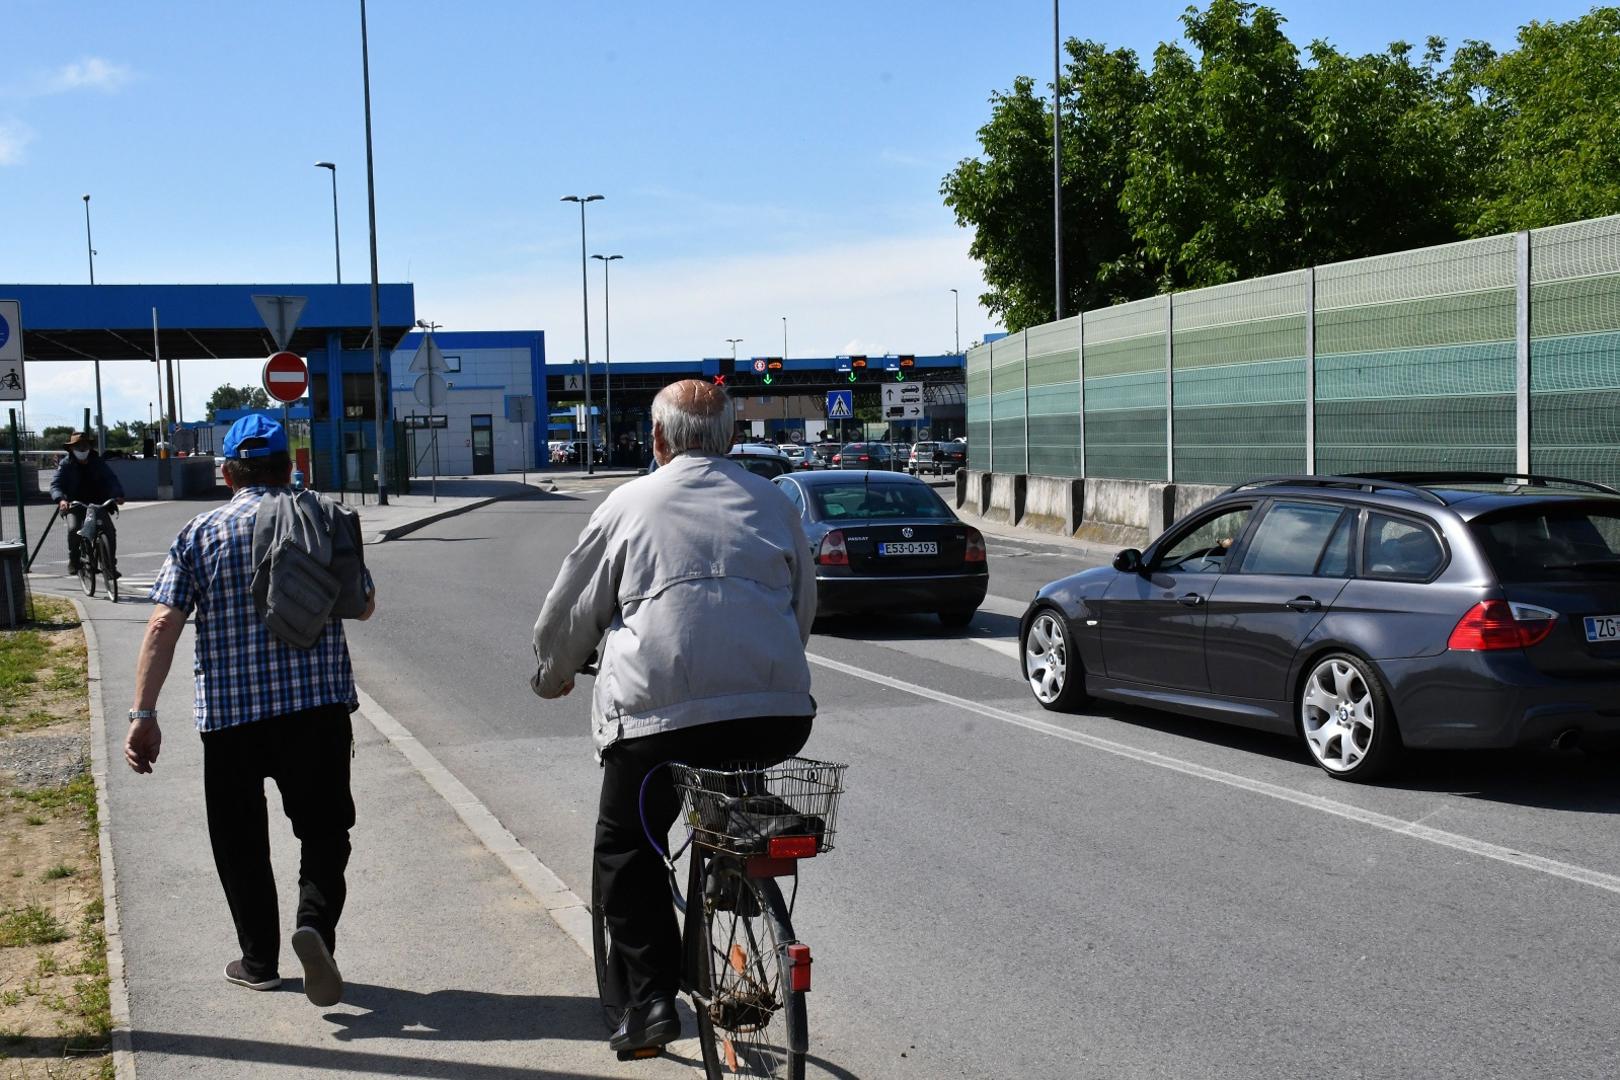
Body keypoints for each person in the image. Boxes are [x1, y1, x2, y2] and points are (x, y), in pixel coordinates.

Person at [531, 379, 817, 1055]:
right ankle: (737, 859)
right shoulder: (775, 501)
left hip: (660, 721)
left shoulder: (630, 502)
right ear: (731, 442)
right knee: (730, 759)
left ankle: (653, 1001)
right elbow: (802, 607)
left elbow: (574, 611)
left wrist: (554, 673)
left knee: (627, 846)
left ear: (658, 442)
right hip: (775, 713)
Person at [123, 414, 376, 1007]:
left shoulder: (199, 534)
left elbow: (163, 624)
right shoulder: (320, 519)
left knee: (240, 841)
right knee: (324, 830)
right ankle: (314, 925)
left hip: (231, 720)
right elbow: (362, 606)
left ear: (228, 473)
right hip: (316, 712)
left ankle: (259, 960)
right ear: (289, 467)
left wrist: (143, 713)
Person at [49, 432, 125, 576]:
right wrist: (61, 500)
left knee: (109, 531)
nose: (82, 449)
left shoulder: (97, 462)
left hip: (98, 504)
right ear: (71, 449)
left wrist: (118, 495)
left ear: (90, 447)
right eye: (78, 446)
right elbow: (55, 485)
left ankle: (109, 567)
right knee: (74, 529)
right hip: (75, 504)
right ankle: (74, 559)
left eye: (85, 446)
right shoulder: (66, 464)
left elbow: (111, 479)